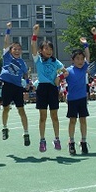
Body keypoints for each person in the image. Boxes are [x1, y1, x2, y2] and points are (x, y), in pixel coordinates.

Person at [31, 24, 68, 152]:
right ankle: (42, 140)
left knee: (54, 116)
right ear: (41, 50)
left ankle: (57, 139)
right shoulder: (38, 60)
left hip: (52, 89)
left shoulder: (55, 61)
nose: (49, 51)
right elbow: (33, 48)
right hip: (42, 88)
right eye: (46, 48)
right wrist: (35, 34)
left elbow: (66, 72)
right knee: (42, 116)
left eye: (50, 48)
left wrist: (59, 77)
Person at [0, 22, 30, 146]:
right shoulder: (7, 57)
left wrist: (27, 83)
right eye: (14, 49)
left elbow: (26, 74)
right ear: (10, 50)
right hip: (7, 86)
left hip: (17, 88)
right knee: (6, 108)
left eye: (19, 49)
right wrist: (8, 30)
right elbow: (6, 42)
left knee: (21, 110)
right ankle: (5, 127)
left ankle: (26, 133)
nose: (17, 51)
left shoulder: (22, 63)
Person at [59, 37, 90, 155]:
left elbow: (88, 56)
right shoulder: (68, 70)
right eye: (77, 59)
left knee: (83, 120)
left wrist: (85, 45)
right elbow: (58, 78)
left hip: (82, 99)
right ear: (72, 60)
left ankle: (83, 142)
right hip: (72, 99)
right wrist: (62, 76)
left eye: (82, 58)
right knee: (72, 120)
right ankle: (71, 142)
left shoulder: (84, 69)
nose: (80, 61)